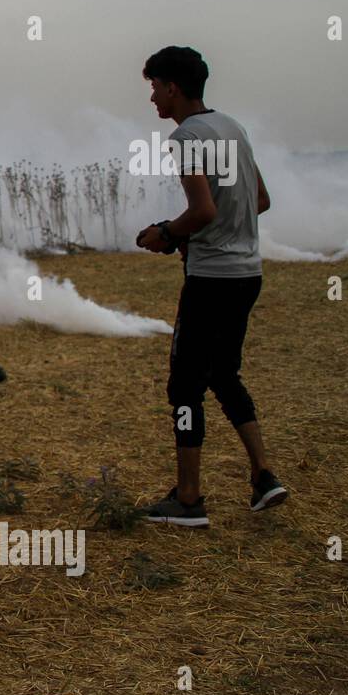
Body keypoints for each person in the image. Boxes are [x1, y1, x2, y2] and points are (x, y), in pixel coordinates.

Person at [134, 45, 288, 527]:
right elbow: (260, 199)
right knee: (223, 374)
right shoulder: (232, 128)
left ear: (172, 87)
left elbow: (203, 211)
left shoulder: (187, 137)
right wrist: (208, 233)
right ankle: (263, 476)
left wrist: (167, 233)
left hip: (211, 279)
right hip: (247, 274)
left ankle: (188, 499)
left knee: (184, 386)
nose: (153, 98)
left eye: (155, 88)